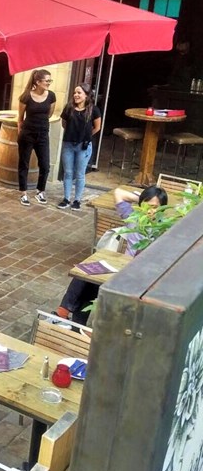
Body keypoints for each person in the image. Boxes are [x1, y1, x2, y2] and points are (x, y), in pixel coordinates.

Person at [55, 186, 168, 324]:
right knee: (86, 273)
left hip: (135, 276)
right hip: (119, 266)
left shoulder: (162, 230)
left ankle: (64, 317)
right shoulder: (134, 217)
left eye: (155, 207)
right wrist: (143, 199)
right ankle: (71, 321)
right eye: (146, 206)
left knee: (91, 285)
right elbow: (119, 192)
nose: (150, 211)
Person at [57, 83, 101, 210]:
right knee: (68, 172)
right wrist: (73, 134)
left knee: (80, 174)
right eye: (75, 92)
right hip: (68, 145)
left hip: (84, 146)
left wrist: (85, 136)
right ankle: (66, 198)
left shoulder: (94, 110)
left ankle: (77, 200)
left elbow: (97, 127)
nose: (76, 95)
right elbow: (64, 123)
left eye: (79, 93)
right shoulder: (69, 108)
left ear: (87, 95)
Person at [17, 69, 56, 207]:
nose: (49, 83)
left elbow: (49, 114)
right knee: (24, 164)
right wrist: (20, 134)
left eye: (50, 80)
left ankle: (40, 191)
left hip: (43, 134)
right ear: (38, 81)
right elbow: (20, 118)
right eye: (47, 81)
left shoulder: (51, 96)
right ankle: (23, 193)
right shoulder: (26, 96)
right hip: (27, 134)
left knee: (45, 165)